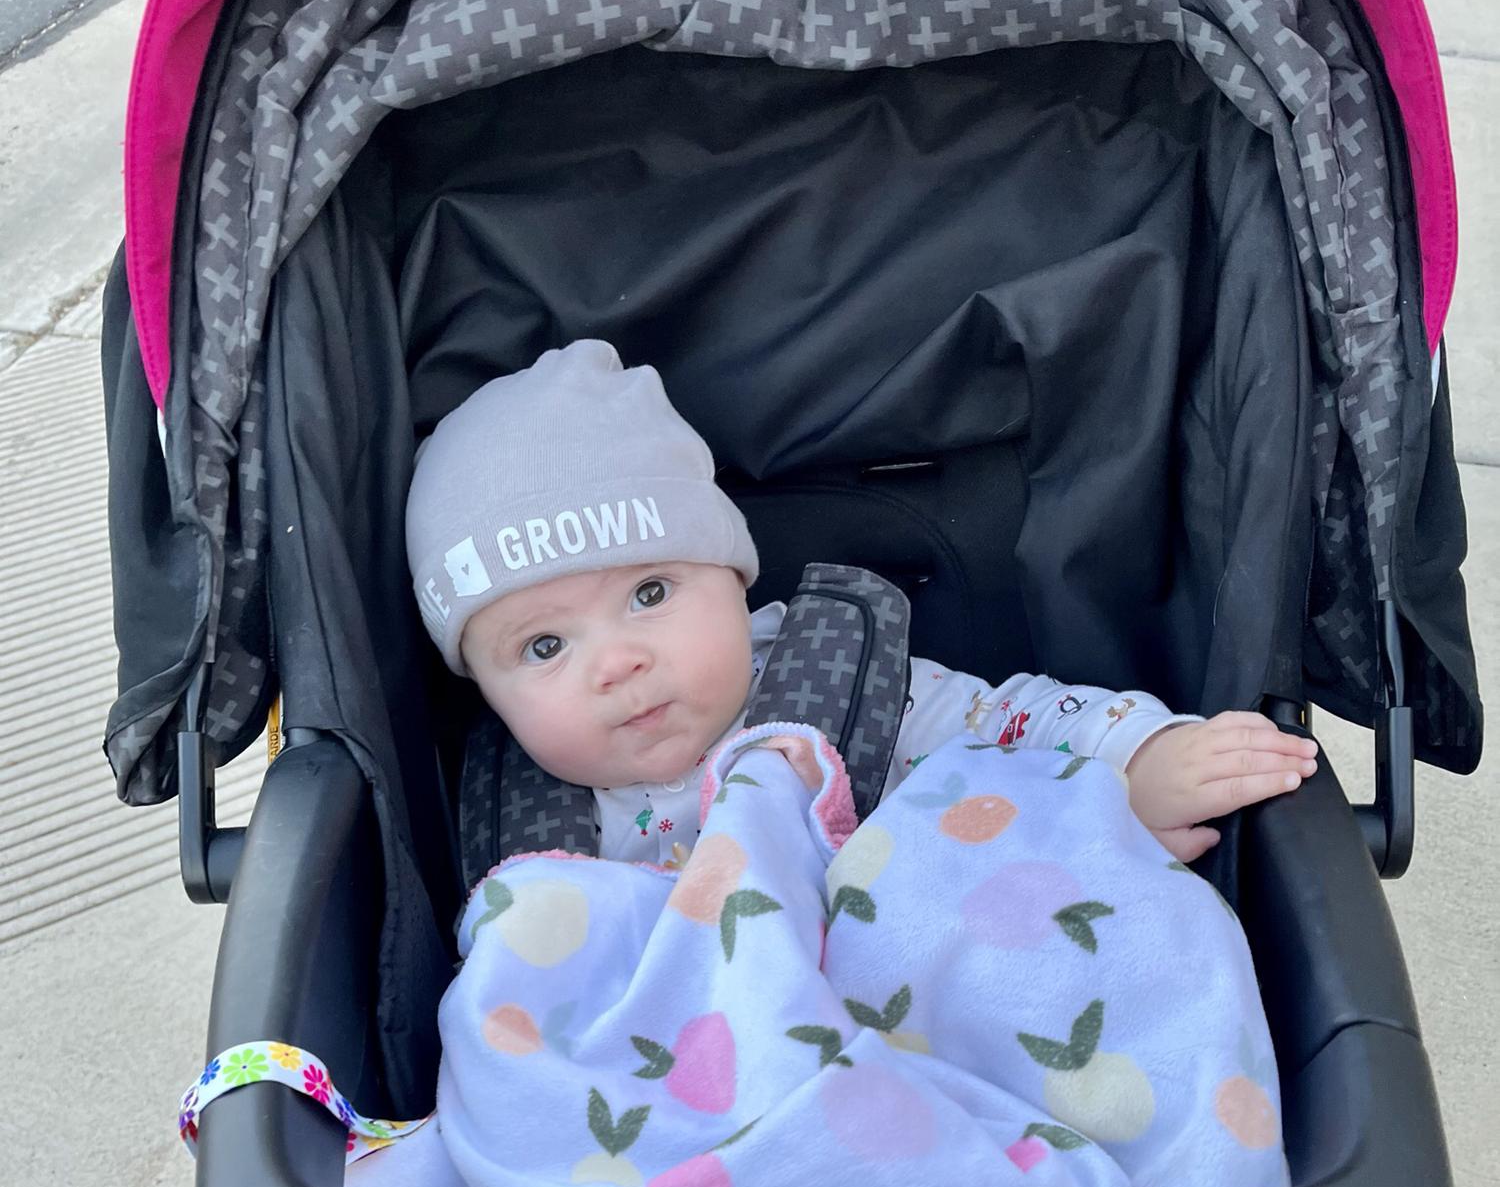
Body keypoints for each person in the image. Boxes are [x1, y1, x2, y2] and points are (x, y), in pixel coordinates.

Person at [406, 341, 1316, 867]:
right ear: (483, 690)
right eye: (543, 648)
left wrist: (1134, 765)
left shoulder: (834, 685)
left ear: (733, 577)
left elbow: (1015, 722)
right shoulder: (510, 827)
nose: (616, 662)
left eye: (649, 593)